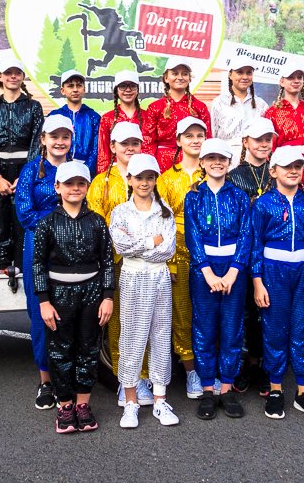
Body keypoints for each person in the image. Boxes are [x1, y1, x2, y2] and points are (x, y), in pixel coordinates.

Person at [250, 145, 304, 420]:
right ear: (273, 171)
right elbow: (254, 245)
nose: (294, 171)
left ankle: (303, 393)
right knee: (274, 330)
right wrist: (258, 282)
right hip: (273, 273)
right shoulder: (262, 204)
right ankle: (275, 390)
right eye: (287, 166)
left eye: (298, 166)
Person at [33, 161, 114, 434]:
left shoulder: (97, 222)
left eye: (80, 183)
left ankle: (83, 405)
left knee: (88, 349)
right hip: (59, 296)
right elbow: (38, 264)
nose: (75, 188)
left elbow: (107, 262)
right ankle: (65, 405)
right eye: (69, 183)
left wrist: (107, 297)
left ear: (87, 187)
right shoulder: (47, 223)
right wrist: (44, 301)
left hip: (92, 293)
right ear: (57, 187)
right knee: (60, 350)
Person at [86, 121, 154, 407]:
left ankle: (145, 377)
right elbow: (96, 224)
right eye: (124, 143)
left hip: (146, 263)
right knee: (119, 324)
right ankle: (124, 380)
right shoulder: (101, 182)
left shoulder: (150, 179)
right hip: (114, 262)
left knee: (146, 320)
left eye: (135, 143)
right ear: (112, 146)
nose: (130, 148)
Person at [110, 153, 179, 429]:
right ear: (129, 179)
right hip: (132, 277)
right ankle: (130, 402)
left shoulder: (165, 211)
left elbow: (167, 249)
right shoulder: (120, 212)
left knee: (160, 335)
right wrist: (151, 241)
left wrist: (140, 245)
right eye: (139, 177)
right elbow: (121, 246)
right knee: (131, 336)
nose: (144, 182)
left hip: (159, 277)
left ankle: (160, 399)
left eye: (150, 177)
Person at [184, 138, 252, 420]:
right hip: (204, 271)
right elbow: (192, 235)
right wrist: (207, 271)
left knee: (232, 328)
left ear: (229, 163)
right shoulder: (193, 196)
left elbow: (247, 234)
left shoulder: (239, 196)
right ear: (202, 162)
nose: (217, 163)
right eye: (211, 158)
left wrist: (234, 271)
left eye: (222, 158)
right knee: (204, 329)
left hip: (234, 269)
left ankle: (227, 387)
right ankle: (208, 389)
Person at [15, 114, 74, 411]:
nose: (59, 142)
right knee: (41, 314)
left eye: (65, 137)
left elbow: (84, 206)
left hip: (72, 249)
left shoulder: (78, 169)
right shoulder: (30, 171)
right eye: (54, 136)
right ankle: (46, 380)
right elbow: (25, 213)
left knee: (70, 313)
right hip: (38, 248)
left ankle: (69, 378)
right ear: (43, 140)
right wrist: (58, 227)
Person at [157, 116, 207, 399]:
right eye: (189, 136)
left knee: (207, 313)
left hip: (209, 255)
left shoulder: (211, 172)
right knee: (181, 315)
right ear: (178, 141)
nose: (195, 140)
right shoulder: (167, 179)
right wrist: (170, 262)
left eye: (199, 135)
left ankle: (210, 369)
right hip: (178, 255)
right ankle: (190, 372)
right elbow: (161, 222)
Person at [227, 116, 277, 395]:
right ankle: (246, 365)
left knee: (269, 311)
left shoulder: (278, 171)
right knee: (244, 312)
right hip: (243, 252)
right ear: (245, 142)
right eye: (258, 139)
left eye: (268, 139)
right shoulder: (234, 175)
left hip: (271, 253)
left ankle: (268, 367)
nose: (263, 144)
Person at [0, 60, 43, 276]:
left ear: (23, 77)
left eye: (17, 73)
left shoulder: (33, 106)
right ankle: (4, 263)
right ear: (1, 77)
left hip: (24, 170)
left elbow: (37, 142)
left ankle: (23, 263)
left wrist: (26, 176)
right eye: (8, 73)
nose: (13, 76)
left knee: (23, 214)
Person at [264, 63, 304, 197]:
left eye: (299, 77)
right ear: (282, 82)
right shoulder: (272, 112)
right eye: (291, 77)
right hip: (285, 167)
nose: (296, 80)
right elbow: (270, 147)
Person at [143, 57, 212, 173]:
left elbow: (207, 139)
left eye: (184, 74)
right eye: (175, 73)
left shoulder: (200, 107)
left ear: (189, 78)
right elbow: (148, 141)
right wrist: (149, 167)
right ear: (166, 78)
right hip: (162, 163)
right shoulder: (155, 107)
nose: (180, 77)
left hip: (193, 162)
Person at [210, 56, 268, 167]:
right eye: (240, 72)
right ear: (230, 75)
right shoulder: (219, 103)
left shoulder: (261, 105)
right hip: (226, 161)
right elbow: (212, 135)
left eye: (249, 73)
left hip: (254, 162)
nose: (245, 77)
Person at [50, 69, 101, 176]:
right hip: (58, 168)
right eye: (70, 86)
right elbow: (47, 144)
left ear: (84, 89)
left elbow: (97, 148)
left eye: (79, 85)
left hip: (86, 170)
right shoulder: (55, 115)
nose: (75, 89)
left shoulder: (93, 117)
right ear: (62, 90)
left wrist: (84, 169)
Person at [97, 70, 146, 174]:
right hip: (116, 172)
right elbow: (103, 152)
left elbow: (150, 146)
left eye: (132, 86)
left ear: (137, 90)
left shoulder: (148, 116)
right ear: (116, 90)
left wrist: (147, 168)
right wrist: (104, 177)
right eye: (123, 86)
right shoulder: (107, 118)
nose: (128, 90)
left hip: (142, 170)